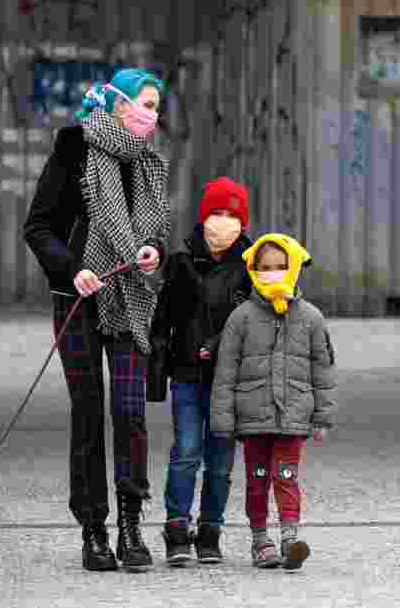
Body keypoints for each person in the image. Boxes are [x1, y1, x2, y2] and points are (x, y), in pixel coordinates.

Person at [23, 68, 171, 572]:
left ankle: (131, 526)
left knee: (130, 413)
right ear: (118, 103)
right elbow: (38, 227)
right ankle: (93, 530)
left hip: (130, 298)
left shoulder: (151, 165)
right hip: (79, 298)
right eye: (146, 104)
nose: (152, 114)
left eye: (157, 106)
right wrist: (74, 269)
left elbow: (156, 234)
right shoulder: (74, 150)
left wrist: (153, 252)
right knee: (87, 414)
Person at [210, 234, 338, 571]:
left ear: (293, 267)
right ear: (253, 270)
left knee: (286, 476)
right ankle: (260, 539)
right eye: (265, 268)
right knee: (257, 478)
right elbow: (226, 371)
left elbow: (322, 369)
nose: (273, 273)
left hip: (293, 416)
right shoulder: (241, 317)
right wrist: (222, 420)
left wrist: (322, 417)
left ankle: (290, 538)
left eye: (281, 267)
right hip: (253, 418)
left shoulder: (311, 318)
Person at [149, 177, 253, 565]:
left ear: (242, 221)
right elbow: (162, 323)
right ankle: (177, 528)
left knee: (221, 460)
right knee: (187, 452)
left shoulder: (250, 266)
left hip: (230, 380)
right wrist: (157, 378)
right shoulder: (181, 263)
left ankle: (211, 530)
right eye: (216, 214)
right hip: (188, 375)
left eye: (231, 215)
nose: (222, 222)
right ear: (202, 217)